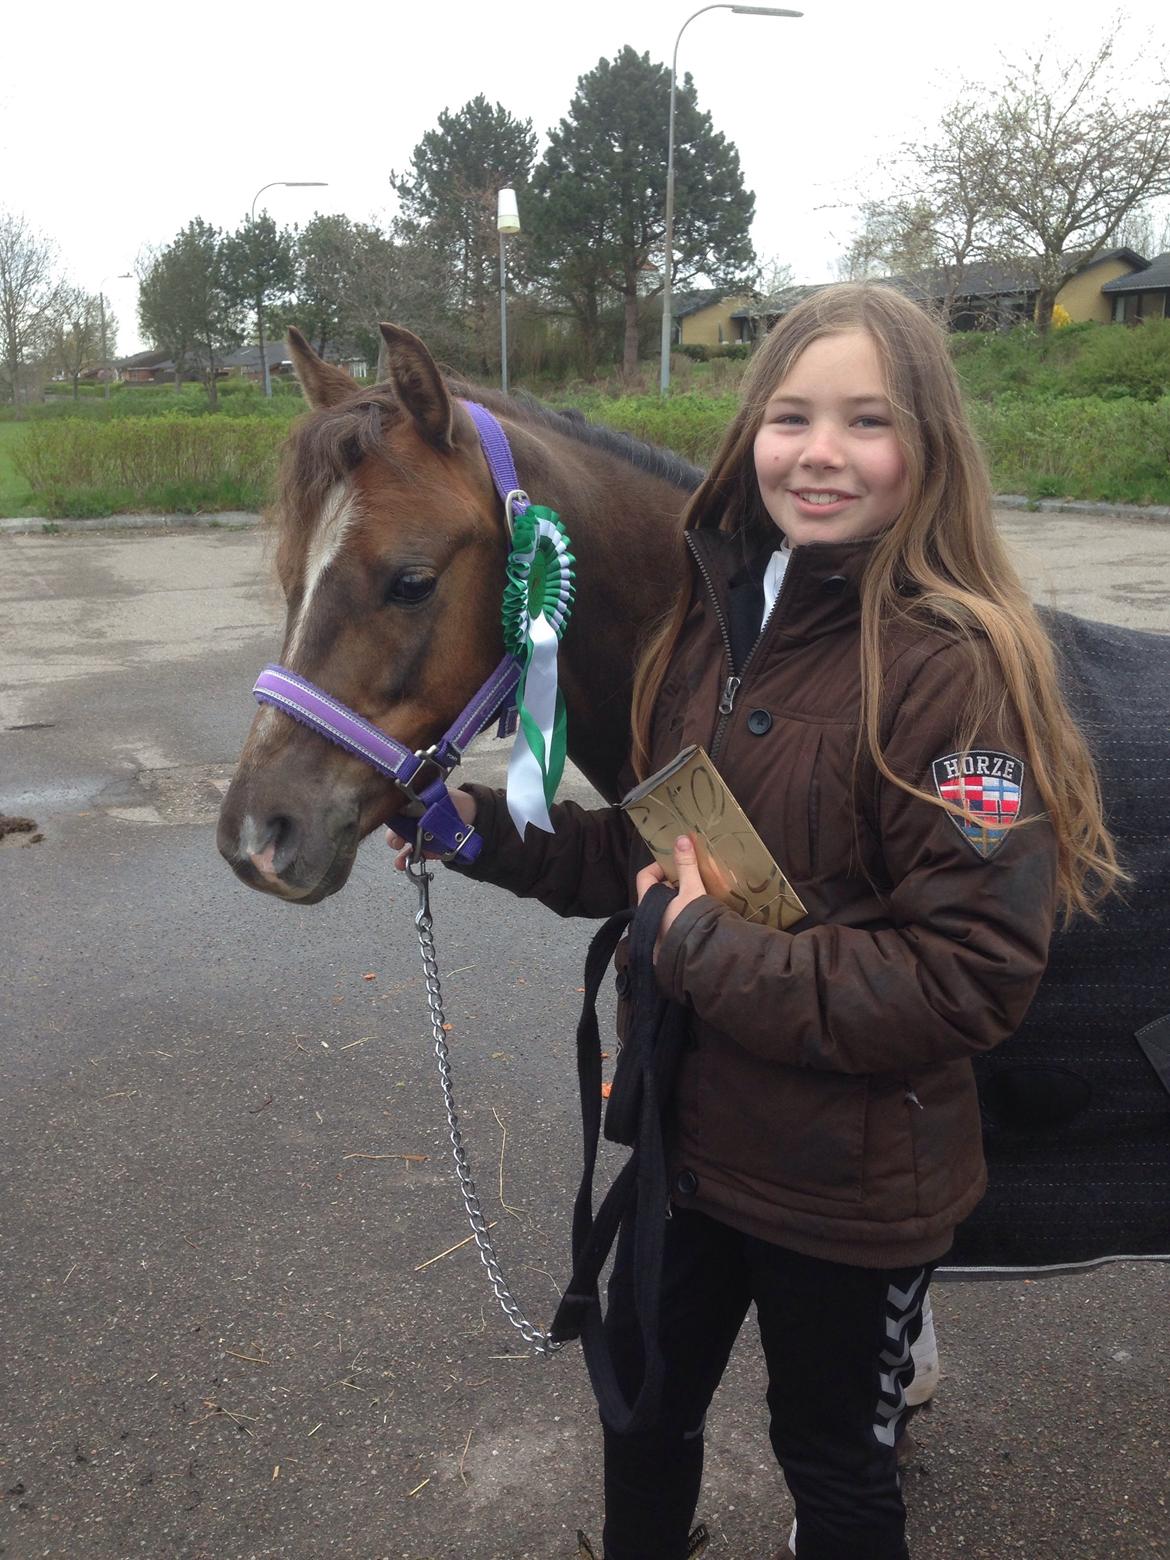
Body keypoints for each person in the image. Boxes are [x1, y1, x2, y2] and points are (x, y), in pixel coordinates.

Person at [387, 284, 1122, 1560]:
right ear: (752, 433)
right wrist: (475, 834)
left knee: (834, 1466)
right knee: (642, 1412)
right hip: (691, 1146)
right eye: (791, 415)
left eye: (867, 421)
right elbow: (657, 850)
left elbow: (969, 977)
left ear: (928, 450)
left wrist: (699, 948)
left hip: (853, 1190)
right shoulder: (713, 627)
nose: (820, 451)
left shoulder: (961, 671)